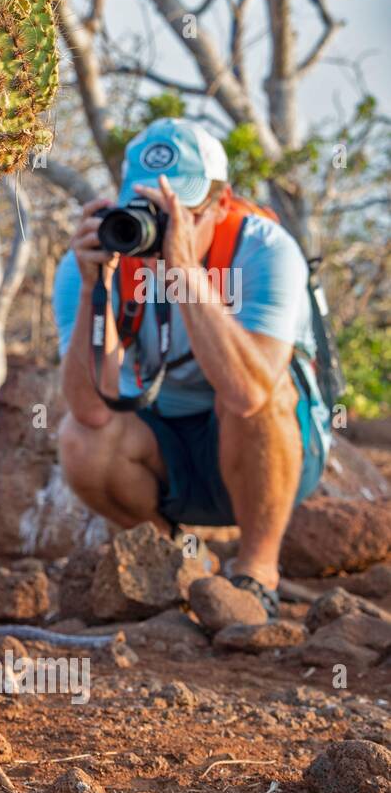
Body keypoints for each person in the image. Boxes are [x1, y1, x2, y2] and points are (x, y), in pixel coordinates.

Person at [54, 118, 331, 617]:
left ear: (221, 205)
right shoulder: (97, 259)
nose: (160, 228)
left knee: (255, 397)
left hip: (274, 451)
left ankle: (256, 572)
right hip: (169, 448)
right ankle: (179, 562)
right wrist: (96, 292)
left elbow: (250, 392)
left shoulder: (265, 249)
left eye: (178, 211)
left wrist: (184, 273)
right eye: (147, 209)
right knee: (80, 440)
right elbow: (90, 410)